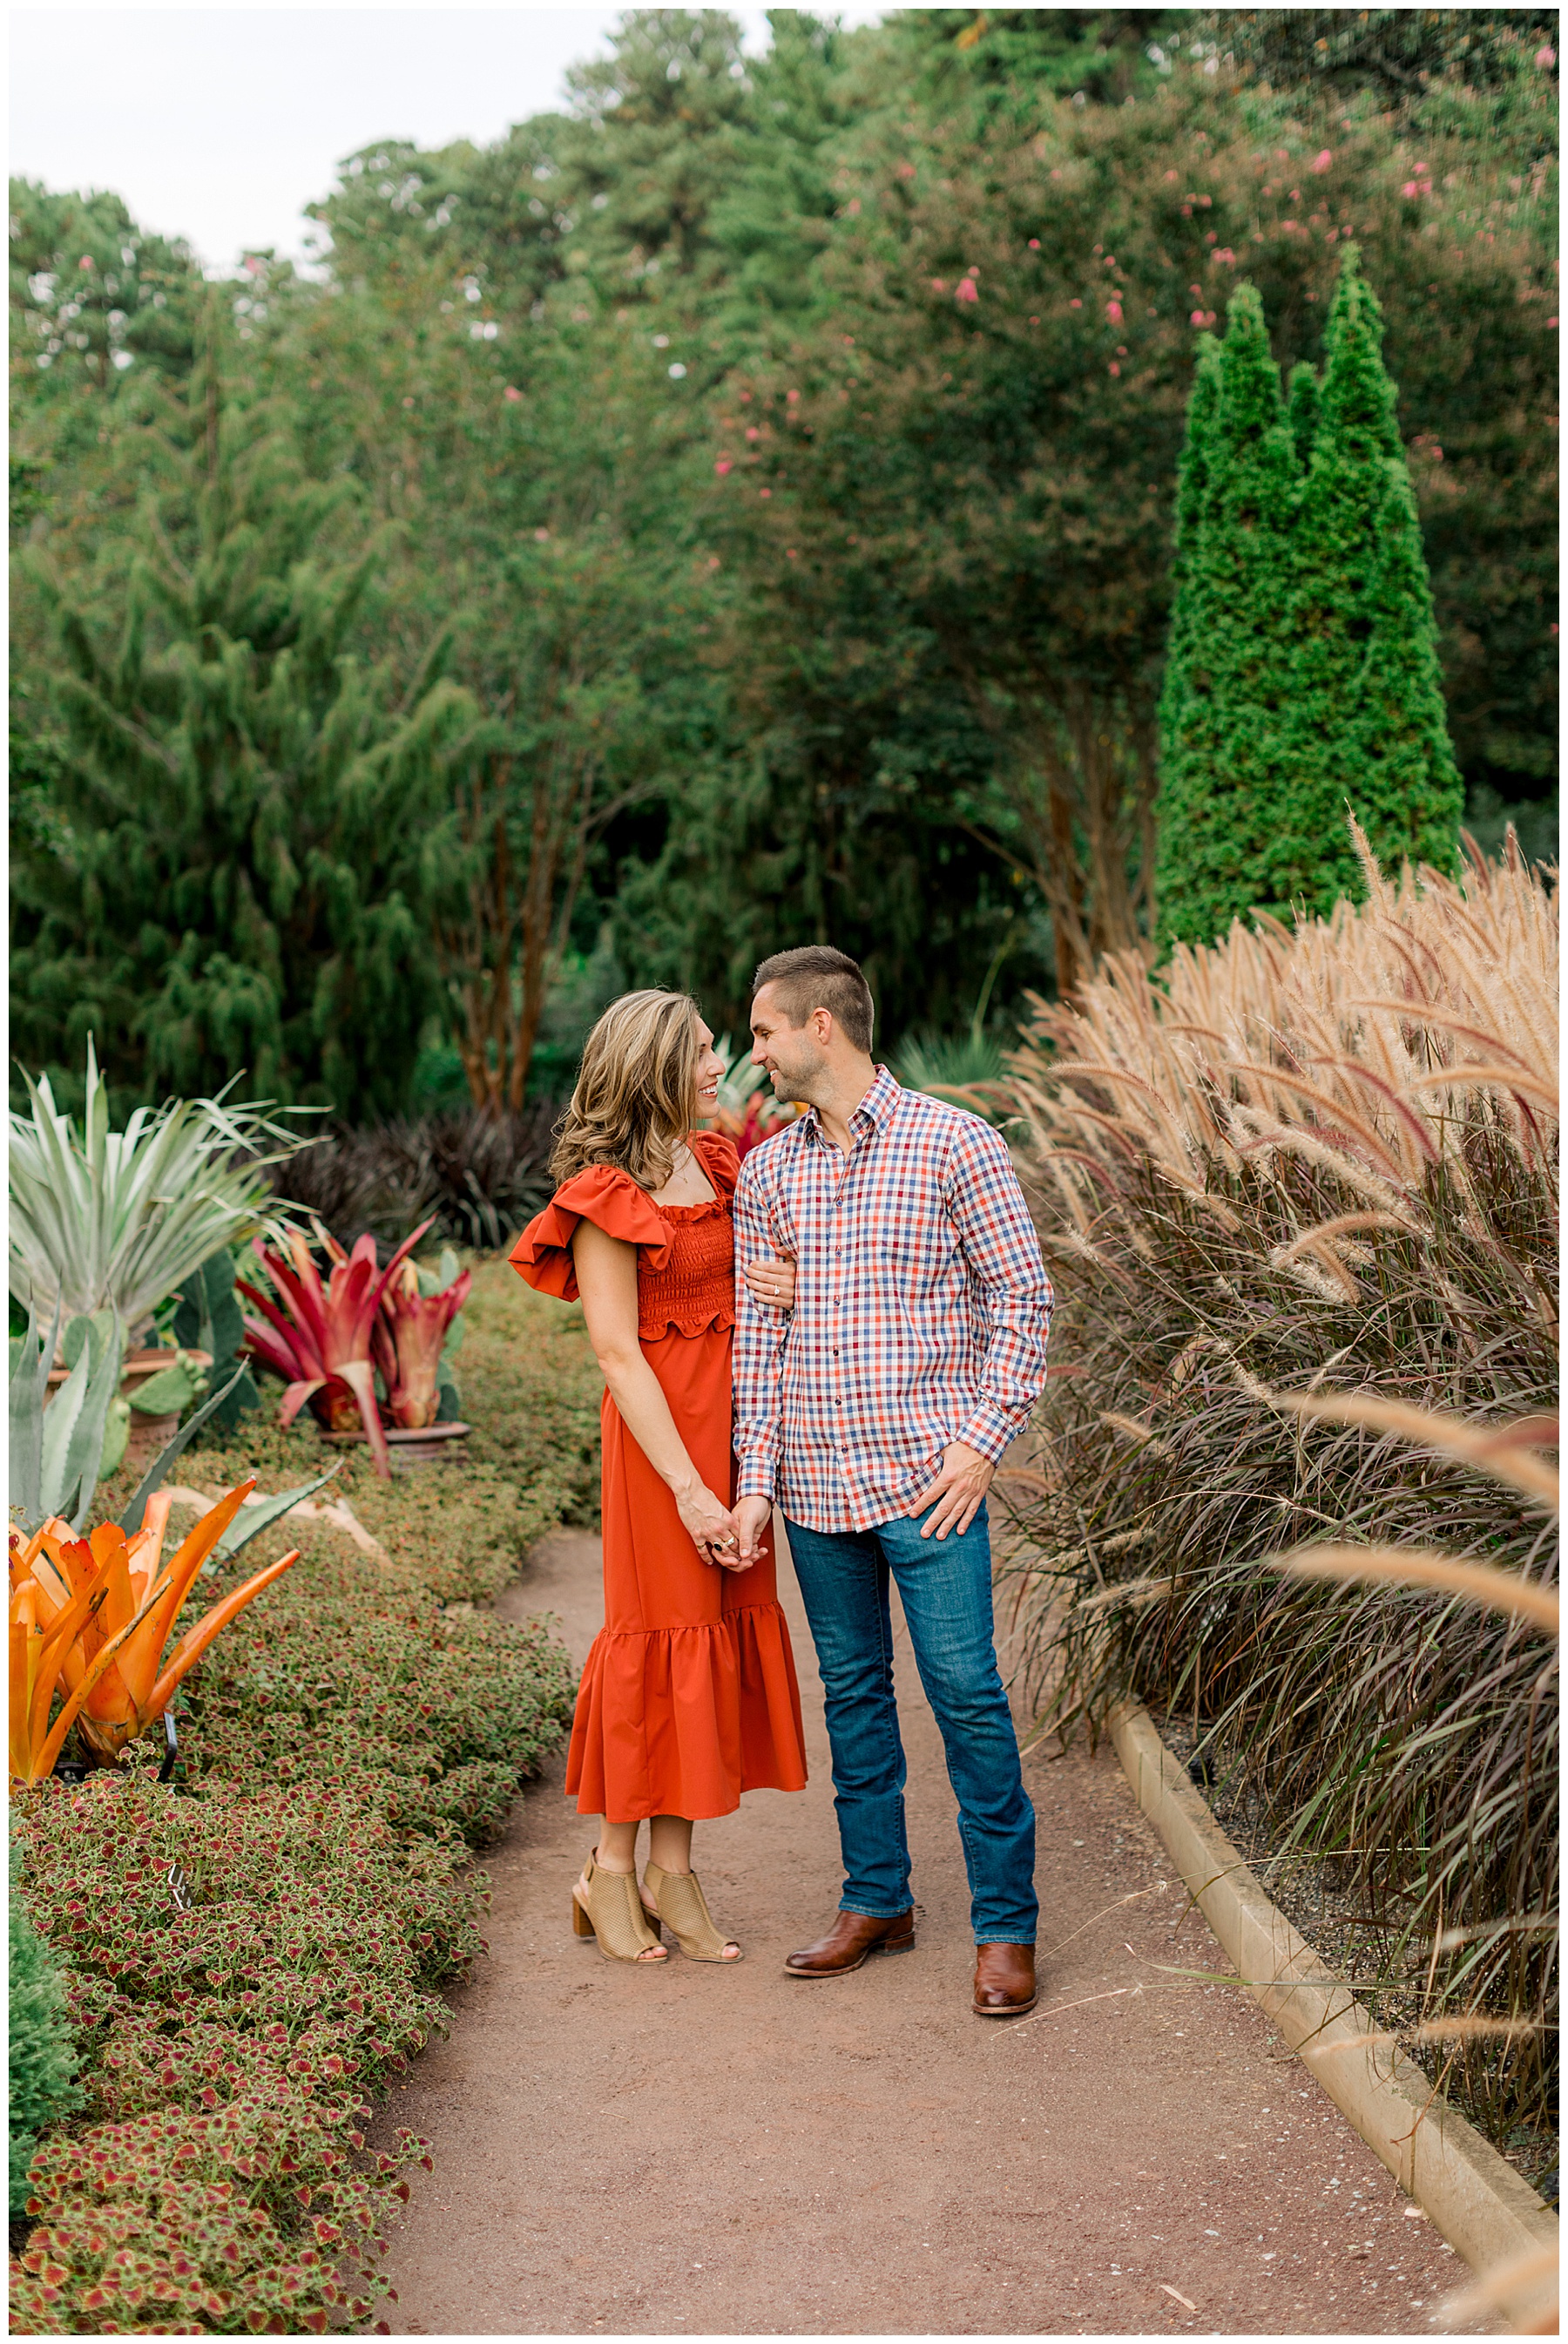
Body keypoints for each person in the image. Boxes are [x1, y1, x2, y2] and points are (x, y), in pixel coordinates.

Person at [731, 946, 1051, 2019]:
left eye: (766, 1030)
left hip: (931, 1484)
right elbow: (757, 1351)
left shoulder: (955, 1140)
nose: (755, 1051)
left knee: (966, 1695)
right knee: (856, 1699)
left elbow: (1024, 1300)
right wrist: (757, 1482)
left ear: (824, 1025)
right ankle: (879, 1900)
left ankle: (1006, 1926)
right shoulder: (770, 1173)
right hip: (818, 1491)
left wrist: (980, 1441)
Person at [510, 990, 809, 1966]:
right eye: (703, 1049)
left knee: (712, 1640)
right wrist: (689, 1487)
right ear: (653, 1066)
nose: (722, 1061)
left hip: (735, 1437)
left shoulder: (721, 1163)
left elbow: (757, 1284)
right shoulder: (602, 1193)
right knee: (657, 1640)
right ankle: (608, 1868)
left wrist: (787, 1286)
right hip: (659, 1452)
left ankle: (673, 1874)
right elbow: (616, 1354)